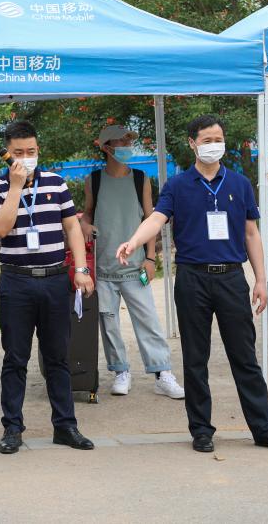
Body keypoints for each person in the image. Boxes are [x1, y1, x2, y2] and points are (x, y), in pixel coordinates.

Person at [116, 115, 268, 454]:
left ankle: (264, 429)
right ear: (192, 143)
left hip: (231, 278)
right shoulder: (177, 185)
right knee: (195, 359)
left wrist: (260, 279)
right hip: (192, 279)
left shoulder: (240, 184)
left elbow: (251, 233)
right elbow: (157, 218)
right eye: (207, 140)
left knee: (244, 357)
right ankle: (201, 430)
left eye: (219, 139)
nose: (214, 145)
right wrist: (134, 242)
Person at [0, 120, 96, 455]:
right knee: (15, 358)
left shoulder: (56, 183)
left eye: (31, 151)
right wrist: (16, 187)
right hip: (16, 281)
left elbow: (72, 228)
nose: (26, 157)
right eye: (18, 152)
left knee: (58, 357)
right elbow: (1, 228)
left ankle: (65, 426)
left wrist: (81, 269)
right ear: (7, 154)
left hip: (53, 280)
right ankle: (12, 428)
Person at [82, 124, 185, 400]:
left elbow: (151, 220)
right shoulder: (94, 180)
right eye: (121, 142)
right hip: (103, 268)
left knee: (148, 321)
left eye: (129, 141)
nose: (127, 146)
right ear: (106, 147)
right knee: (109, 323)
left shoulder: (141, 179)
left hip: (135, 266)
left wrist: (151, 258)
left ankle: (162, 373)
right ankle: (120, 371)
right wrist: (84, 224)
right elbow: (87, 213)